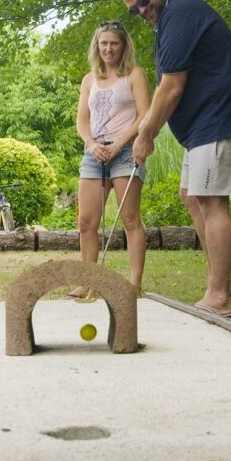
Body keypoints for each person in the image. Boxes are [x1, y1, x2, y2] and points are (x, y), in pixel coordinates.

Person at [117, 0, 231, 317]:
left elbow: (171, 88)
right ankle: (221, 282)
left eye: (143, 1)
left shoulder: (180, 13)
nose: (141, 11)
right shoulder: (171, 19)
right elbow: (169, 87)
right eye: (133, 9)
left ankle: (218, 296)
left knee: (211, 200)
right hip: (203, 126)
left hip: (220, 117)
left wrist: (145, 135)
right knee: (191, 195)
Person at [70, 20, 150, 298]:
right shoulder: (89, 80)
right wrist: (91, 144)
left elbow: (144, 116)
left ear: (123, 46)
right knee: (86, 222)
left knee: (129, 218)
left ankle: (134, 284)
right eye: (104, 43)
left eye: (114, 43)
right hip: (94, 154)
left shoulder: (135, 75)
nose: (108, 48)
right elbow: (82, 121)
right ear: (97, 46)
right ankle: (88, 282)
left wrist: (118, 145)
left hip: (125, 151)